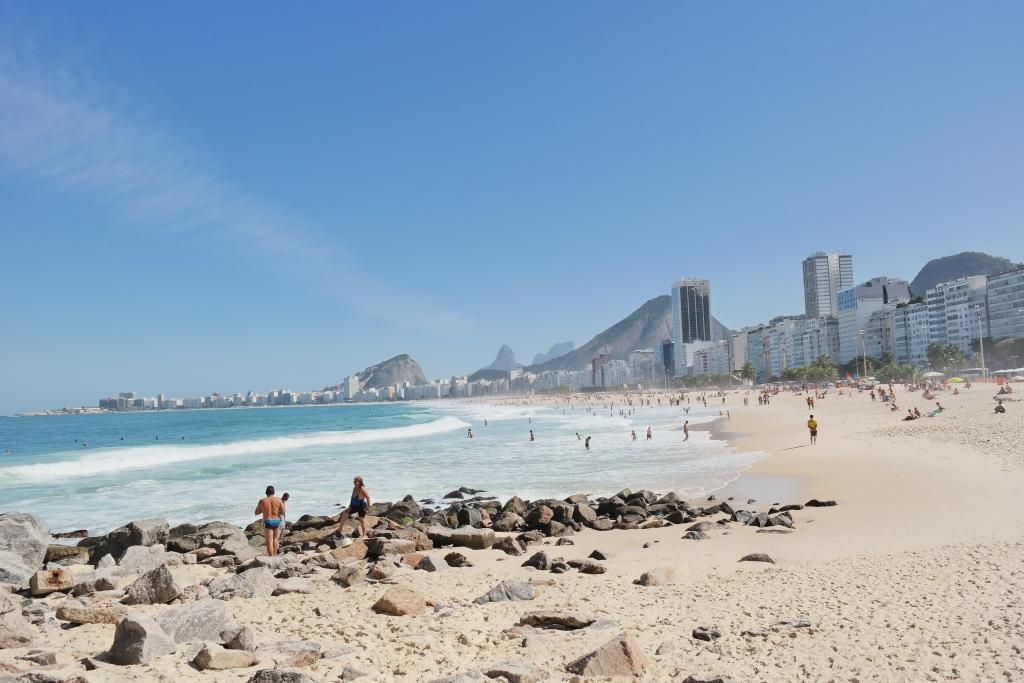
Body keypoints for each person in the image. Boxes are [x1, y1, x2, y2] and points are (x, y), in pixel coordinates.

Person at [254, 486, 285, 556]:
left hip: (268, 521)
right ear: (274, 492)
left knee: (269, 541)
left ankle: (271, 558)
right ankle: (274, 555)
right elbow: (283, 511)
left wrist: (264, 510)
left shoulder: (262, 501)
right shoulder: (278, 500)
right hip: (277, 521)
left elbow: (256, 512)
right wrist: (276, 512)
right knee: (275, 540)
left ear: (266, 493)